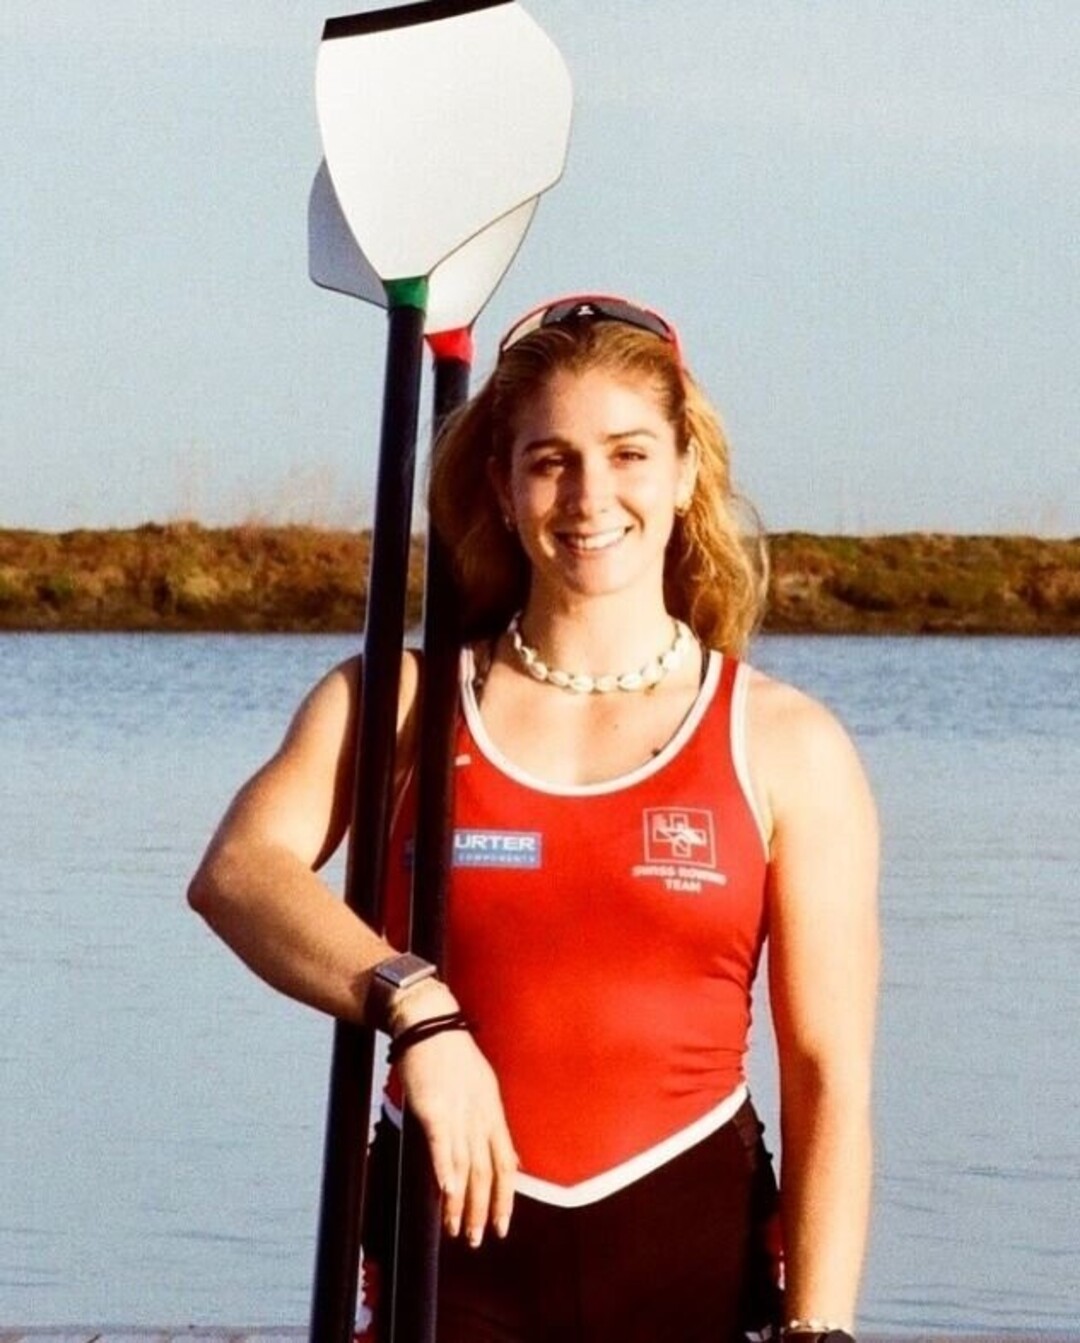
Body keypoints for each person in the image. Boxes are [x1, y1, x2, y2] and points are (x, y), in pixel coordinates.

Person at [188, 294, 880, 1343]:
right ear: (502, 489)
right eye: (550, 460)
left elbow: (828, 1072)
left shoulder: (786, 742)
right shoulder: (401, 704)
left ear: (685, 472)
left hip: (686, 1251)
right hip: (448, 1251)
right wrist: (417, 1008)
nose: (590, 494)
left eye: (628, 453)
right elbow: (240, 871)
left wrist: (819, 1328)